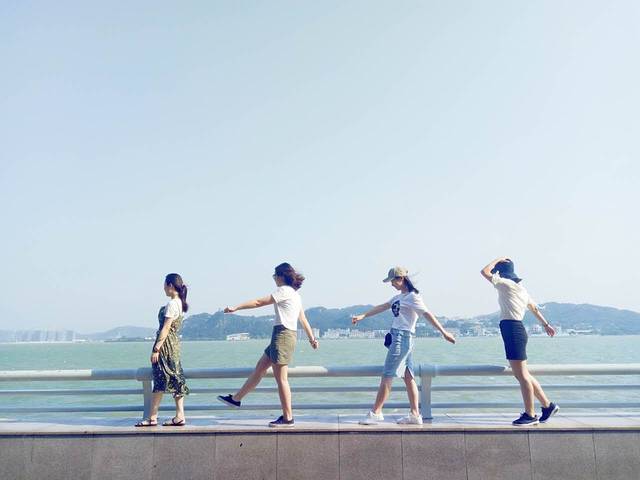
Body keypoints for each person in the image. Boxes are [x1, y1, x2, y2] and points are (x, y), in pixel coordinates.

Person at [217, 262, 319, 427]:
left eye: (274, 276)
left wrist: (236, 307)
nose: (274, 279)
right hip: (282, 335)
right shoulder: (295, 294)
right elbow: (303, 319)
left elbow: (258, 302)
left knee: (282, 379)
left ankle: (288, 418)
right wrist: (312, 339)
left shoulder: (284, 291)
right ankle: (236, 399)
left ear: (281, 276)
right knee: (260, 368)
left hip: (282, 336)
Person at [351, 267, 456, 425]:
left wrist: (444, 332)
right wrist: (363, 316)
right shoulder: (399, 297)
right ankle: (415, 415)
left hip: (402, 337)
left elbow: (427, 314)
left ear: (401, 279)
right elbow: (382, 307)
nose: (391, 284)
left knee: (387, 374)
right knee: (408, 376)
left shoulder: (414, 297)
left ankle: (376, 413)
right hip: (399, 337)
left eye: (393, 281)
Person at [481, 257, 559, 426]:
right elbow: (534, 308)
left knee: (522, 376)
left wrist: (497, 259)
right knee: (522, 374)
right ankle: (547, 406)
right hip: (515, 329)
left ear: (501, 272)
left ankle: (530, 415)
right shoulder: (521, 289)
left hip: (512, 330)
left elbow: (484, 272)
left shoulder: (505, 284)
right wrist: (546, 325)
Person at [136, 273, 190, 427]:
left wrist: (156, 349)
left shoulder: (172, 304)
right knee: (176, 379)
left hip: (165, 347)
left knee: (160, 380)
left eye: (164, 284)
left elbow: (165, 328)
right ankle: (179, 415)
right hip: (174, 346)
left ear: (170, 285)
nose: (163, 288)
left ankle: (152, 417)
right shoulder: (180, 303)